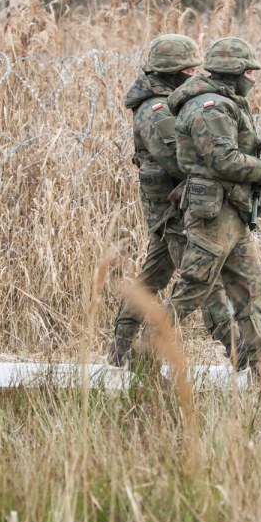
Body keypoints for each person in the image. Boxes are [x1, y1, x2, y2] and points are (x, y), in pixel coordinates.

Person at [144, 36, 261, 377]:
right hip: (213, 214)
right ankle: (142, 352)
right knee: (193, 288)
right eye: (250, 72)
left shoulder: (224, 102)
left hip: (232, 210)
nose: (253, 78)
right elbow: (223, 160)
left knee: (250, 291)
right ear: (234, 72)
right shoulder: (210, 107)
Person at [107, 34, 235, 366]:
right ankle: (238, 349)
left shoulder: (164, 100)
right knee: (202, 278)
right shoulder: (156, 109)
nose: (197, 75)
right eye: (190, 69)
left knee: (154, 276)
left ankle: (121, 347)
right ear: (172, 71)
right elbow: (176, 160)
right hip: (173, 207)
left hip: (171, 205)